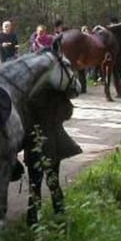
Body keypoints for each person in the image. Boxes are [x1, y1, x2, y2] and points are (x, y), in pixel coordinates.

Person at [22, 88, 82, 226]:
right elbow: (67, 113)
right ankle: (60, 215)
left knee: (34, 184)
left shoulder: (30, 92)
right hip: (53, 143)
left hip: (34, 144)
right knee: (53, 181)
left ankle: (33, 221)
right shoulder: (56, 92)